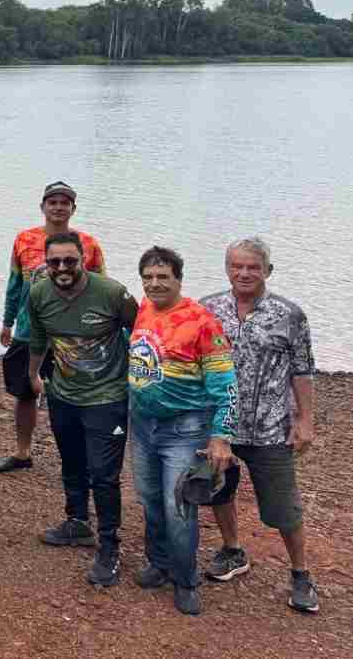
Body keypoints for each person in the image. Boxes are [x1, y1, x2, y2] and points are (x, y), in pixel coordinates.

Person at [200, 237, 319, 613]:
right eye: (237, 266)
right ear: (227, 269)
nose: (244, 273)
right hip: (220, 425)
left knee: (284, 507)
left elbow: (302, 369)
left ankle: (300, 573)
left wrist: (305, 420)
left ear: (268, 270)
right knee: (220, 491)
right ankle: (233, 550)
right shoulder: (207, 309)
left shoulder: (290, 315)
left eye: (253, 267)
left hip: (270, 428)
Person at [128, 246, 237, 615]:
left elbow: (226, 385)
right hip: (142, 425)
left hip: (184, 430)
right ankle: (159, 563)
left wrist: (220, 436)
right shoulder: (144, 309)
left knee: (179, 507)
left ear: (178, 279)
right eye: (148, 277)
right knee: (149, 499)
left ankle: (185, 579)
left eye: (163, 277)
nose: (155, 284)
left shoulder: (202, 322)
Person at [27, 232, 136, 587]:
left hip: (107, 397)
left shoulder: (112, 293)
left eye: (70, 261)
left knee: (104, 474)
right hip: (63, 393)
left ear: (84, 260)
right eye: (54, 261)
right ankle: (77, 522)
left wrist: (144, 381)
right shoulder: (39, 293)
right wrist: (33, 374)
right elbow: (39, 337)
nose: (62, 268)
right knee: (72, 461)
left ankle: (109, 546)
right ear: (46, 262)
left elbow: (142, 334)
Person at [0, 181, 107, 474]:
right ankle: (22, 452)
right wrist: (7, 322)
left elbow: (102, 290)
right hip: (28, 331)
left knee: (73, 396)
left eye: (64, 203)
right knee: (25, 394)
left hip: (72, 335)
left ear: (73, 208)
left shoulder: (89, 244)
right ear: (43, 206)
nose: (58, 207)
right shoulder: (24, 239)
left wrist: (101, 329)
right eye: (52, 202)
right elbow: (15, 284)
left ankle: (77, 458)